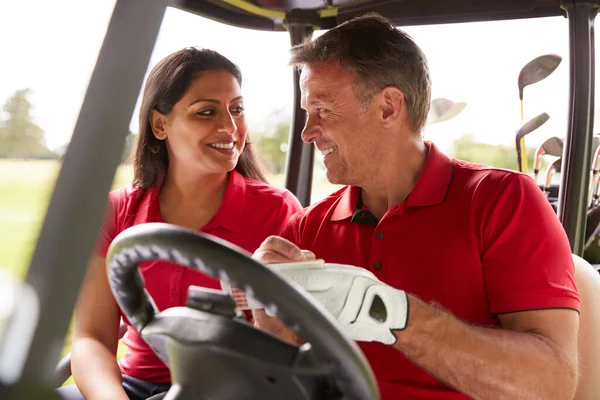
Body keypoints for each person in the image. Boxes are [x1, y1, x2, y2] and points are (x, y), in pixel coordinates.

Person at [252, 13, 580, 400]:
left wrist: (390, 312)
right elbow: (280, 383)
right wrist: (268, 318)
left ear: (389, 107)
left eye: (322, 110)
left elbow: (553, 384)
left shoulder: (503, 200)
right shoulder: (305, 230)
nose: (307, 132)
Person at [57, 47, 302, 400]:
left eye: (237, 109)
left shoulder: (278, 211)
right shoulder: (115, 211)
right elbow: (91, 337)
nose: (230, 128)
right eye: (207, 112)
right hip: (130, 389)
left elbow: (291, 344)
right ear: (160, 124)